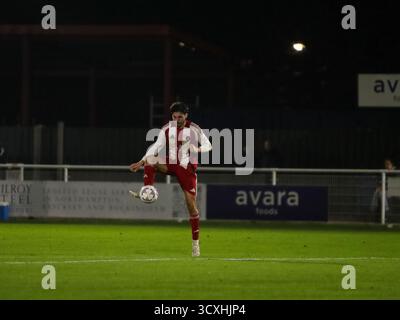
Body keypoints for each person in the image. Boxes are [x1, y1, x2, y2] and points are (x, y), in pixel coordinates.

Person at [129, 102, 212, 257]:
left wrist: (197, 149)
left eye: (180, 116)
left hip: (187, 169)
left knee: (191, 206)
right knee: (150, 159)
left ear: (186, 115)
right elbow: (156, 146)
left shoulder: (194, 128)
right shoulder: (167, 128)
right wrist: (140, 162)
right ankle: (148, 189)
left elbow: (209, 145)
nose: (177, 119)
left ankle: (195, 244)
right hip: (172, 163)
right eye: (174, 116)